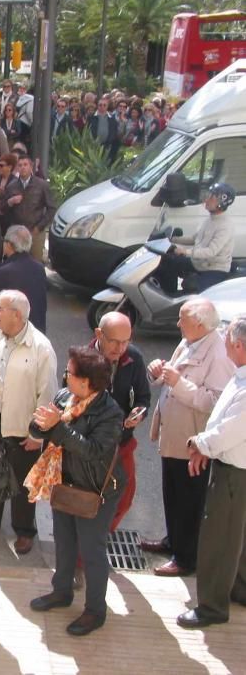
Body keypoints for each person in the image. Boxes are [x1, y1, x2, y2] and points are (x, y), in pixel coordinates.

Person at [28, 346, 125, 637]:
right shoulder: (64, 396)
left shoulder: (110, 413)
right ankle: (62, 591)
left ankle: (95, 610)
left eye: (70, 373)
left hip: (95, 490)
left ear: (87, 382)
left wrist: (56, 428)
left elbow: (92, 450)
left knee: (91, 550)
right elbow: (42, 429)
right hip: (64, 481)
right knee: (64, 540)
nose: (65, 376)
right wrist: (40, 425)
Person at [143, 298, 234, 577]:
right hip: (174, 435)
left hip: (193, 440)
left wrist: (178, 384)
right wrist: (157, 372)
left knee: (189, 500)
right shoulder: (189, 340)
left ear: (200, 324)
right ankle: (173, 541)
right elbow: (170, 374)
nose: (178, 323)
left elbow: (215, 401)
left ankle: (185, 557)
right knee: (172, 493)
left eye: (182, 319)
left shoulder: (218, 354)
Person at [0, 290, 57, 554]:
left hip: (23, 428)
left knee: (22, 483)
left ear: (16, 315)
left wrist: (38, 434)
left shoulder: (41, 348)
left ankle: (23, 531)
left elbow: (48, 393)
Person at [176, 315, 246, 630]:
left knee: (220, 540)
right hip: (231, 466)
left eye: (228, 340)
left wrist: (200, 443)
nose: (225, 344)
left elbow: (231, 429)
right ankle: (236, 589)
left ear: (239, 345)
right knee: (236, 539)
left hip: (234, 472)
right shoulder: (240, 375)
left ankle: (212, 607)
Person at [90, 311, 150, 533]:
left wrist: (139, 413)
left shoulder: (133, 359)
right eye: (114, 341)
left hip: (122, 444)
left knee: (124, 500)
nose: (120, 348)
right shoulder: (82, 359)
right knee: (87, 501)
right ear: (99, 334)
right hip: (90, 446)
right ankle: (84, 549)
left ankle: (101, 536)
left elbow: (144, 397)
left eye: (126, 341)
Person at [156, 182, 235, 293]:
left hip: (214, 269)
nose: (207, 199)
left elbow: (211, 251)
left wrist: (185, 251)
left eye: (212, 197)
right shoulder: (211, 219)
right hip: (200, 263)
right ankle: (166, 296)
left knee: (191, 286)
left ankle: (176, 304)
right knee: (167, 261)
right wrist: (172, 239)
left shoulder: (225, 226)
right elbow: (195, 239)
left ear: (222, 202)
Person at [0, 225, 48, 333]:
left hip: (10, 336)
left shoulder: (4, 272)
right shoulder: (39, 268)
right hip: (36, 332)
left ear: (8, 245)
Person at [0, 157, 56, 263]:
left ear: (31, 167)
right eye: (20, 165)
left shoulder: (42, 185)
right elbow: (2, 209)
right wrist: (10, 202)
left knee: (35, 263)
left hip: (35, 231)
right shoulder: (11, 186)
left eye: (25, 165)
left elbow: (51, 209)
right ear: (17, 168)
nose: (23, 167)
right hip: (16, 232)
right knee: (16, 263)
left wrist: (39, 227)